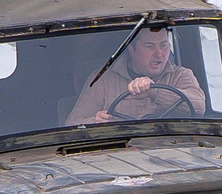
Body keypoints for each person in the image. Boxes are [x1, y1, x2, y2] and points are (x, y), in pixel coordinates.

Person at [68, 25, 207, 124]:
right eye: (149, 46)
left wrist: (155, 92)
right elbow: (72, 123)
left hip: (171, 149)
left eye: (163, 45)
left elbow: (200, 108)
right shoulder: (102, 78)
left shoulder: (180, 75)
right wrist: (95, 121)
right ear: (132, 50)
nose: (159, 54)